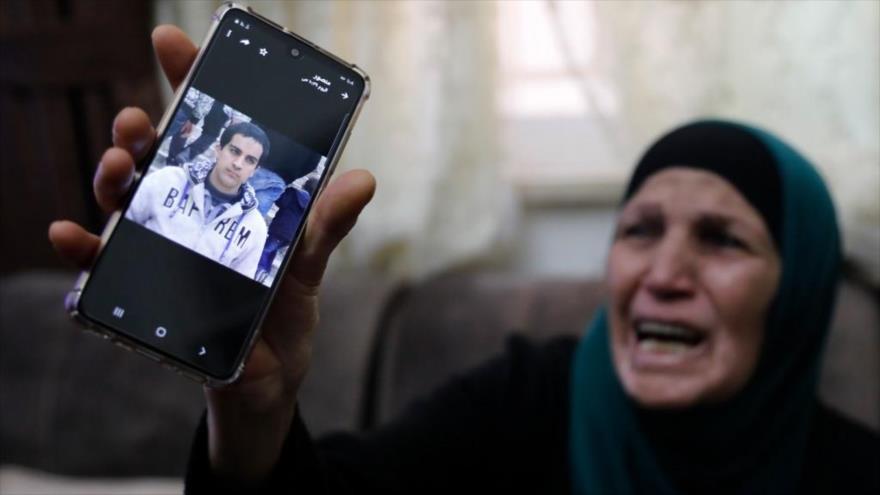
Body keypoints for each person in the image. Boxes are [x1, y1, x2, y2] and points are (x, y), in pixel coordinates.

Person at [48, 25, 878, 495]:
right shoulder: (526, 399)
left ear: (798, 289)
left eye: (723, 239)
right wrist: (253, 413)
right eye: (639, 229)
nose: (663, 271)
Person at [125, 121, 270, 278]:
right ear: (218, 150)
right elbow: (122, 225)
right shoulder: (168, 179)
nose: (238, 164)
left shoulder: (255, 227)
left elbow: (237, 288)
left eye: (250, 160)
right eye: (234, 151)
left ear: (255, 170)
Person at [256, 176, 319, 282]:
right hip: (292, 236)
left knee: (266, 249)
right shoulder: (313, 206)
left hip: (280, 229)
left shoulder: (294, 194)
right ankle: (265, 271)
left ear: (305, 185)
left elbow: (280, 201)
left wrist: (286, 189)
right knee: (272, 251)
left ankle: (260, 269)